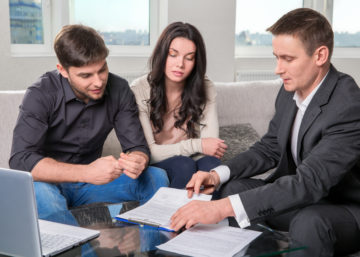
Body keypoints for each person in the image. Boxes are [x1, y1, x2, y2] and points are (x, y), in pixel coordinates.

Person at [170, 8, 360, 257]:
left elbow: (310, 183)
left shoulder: (348, 104)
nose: (277, 69)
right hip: (306, 199)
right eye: (276, 57)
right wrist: (217, 175)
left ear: (320, 55)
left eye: (287, 59)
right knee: (233, 189)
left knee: (309, 222)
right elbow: (270, 147)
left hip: (344, 209)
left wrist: (220, 209)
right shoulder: (289, 90)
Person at [9, 24, 169, 226]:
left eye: (102, 70)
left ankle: (146, 246)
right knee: (44, 197)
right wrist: (86, 172)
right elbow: (21, 159)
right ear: (63, 71)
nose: (98, 82)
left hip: (92, 185)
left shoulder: (119, 89)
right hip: (48, 184)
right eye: (86, 75)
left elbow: (137, 147)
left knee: (156, 177)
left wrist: (138, 159)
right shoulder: (41, 93)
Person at [130, 22, 227, 189]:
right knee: (183, 165)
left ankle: (212, 214)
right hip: (158, 163)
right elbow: (149, 153)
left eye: (189, 58)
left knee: (212, 165)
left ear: (197, 61)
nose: (180, 64)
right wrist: (197, 145)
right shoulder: (139, 89)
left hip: (191, 159)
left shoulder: (206, 87)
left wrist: (203, 147)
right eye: (173, 55)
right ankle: (175, 214)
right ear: (162, 55)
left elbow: (211, 146)